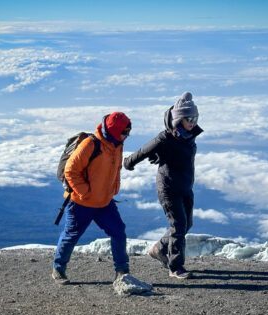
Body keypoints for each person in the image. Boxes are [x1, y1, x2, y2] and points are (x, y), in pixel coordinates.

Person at [123, 92, 202, 279]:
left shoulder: (189, 136)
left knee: (186, 224)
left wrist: (164, 156)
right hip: (168, 188)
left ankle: (159, 249)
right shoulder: (164, 138)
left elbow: (176, 155)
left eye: (195, 118)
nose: (192, 122)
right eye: (188, 118)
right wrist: (128, 163)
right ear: (177, 120)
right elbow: (142, 151)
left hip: (185, 187)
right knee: (178, 225)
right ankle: (175, 267)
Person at [52, 112, 132, 285]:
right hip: (81, 202)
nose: (126, 136)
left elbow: (115, 169)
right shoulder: (91, 144)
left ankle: (122, 271)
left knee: (118, 232)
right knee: (71, 236)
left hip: (104, 202)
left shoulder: (116, 144)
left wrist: (113, 189)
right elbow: (71, 171)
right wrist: (84, 192)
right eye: (124, 132)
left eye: (128, 132)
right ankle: (58, 268)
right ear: (113, 130)